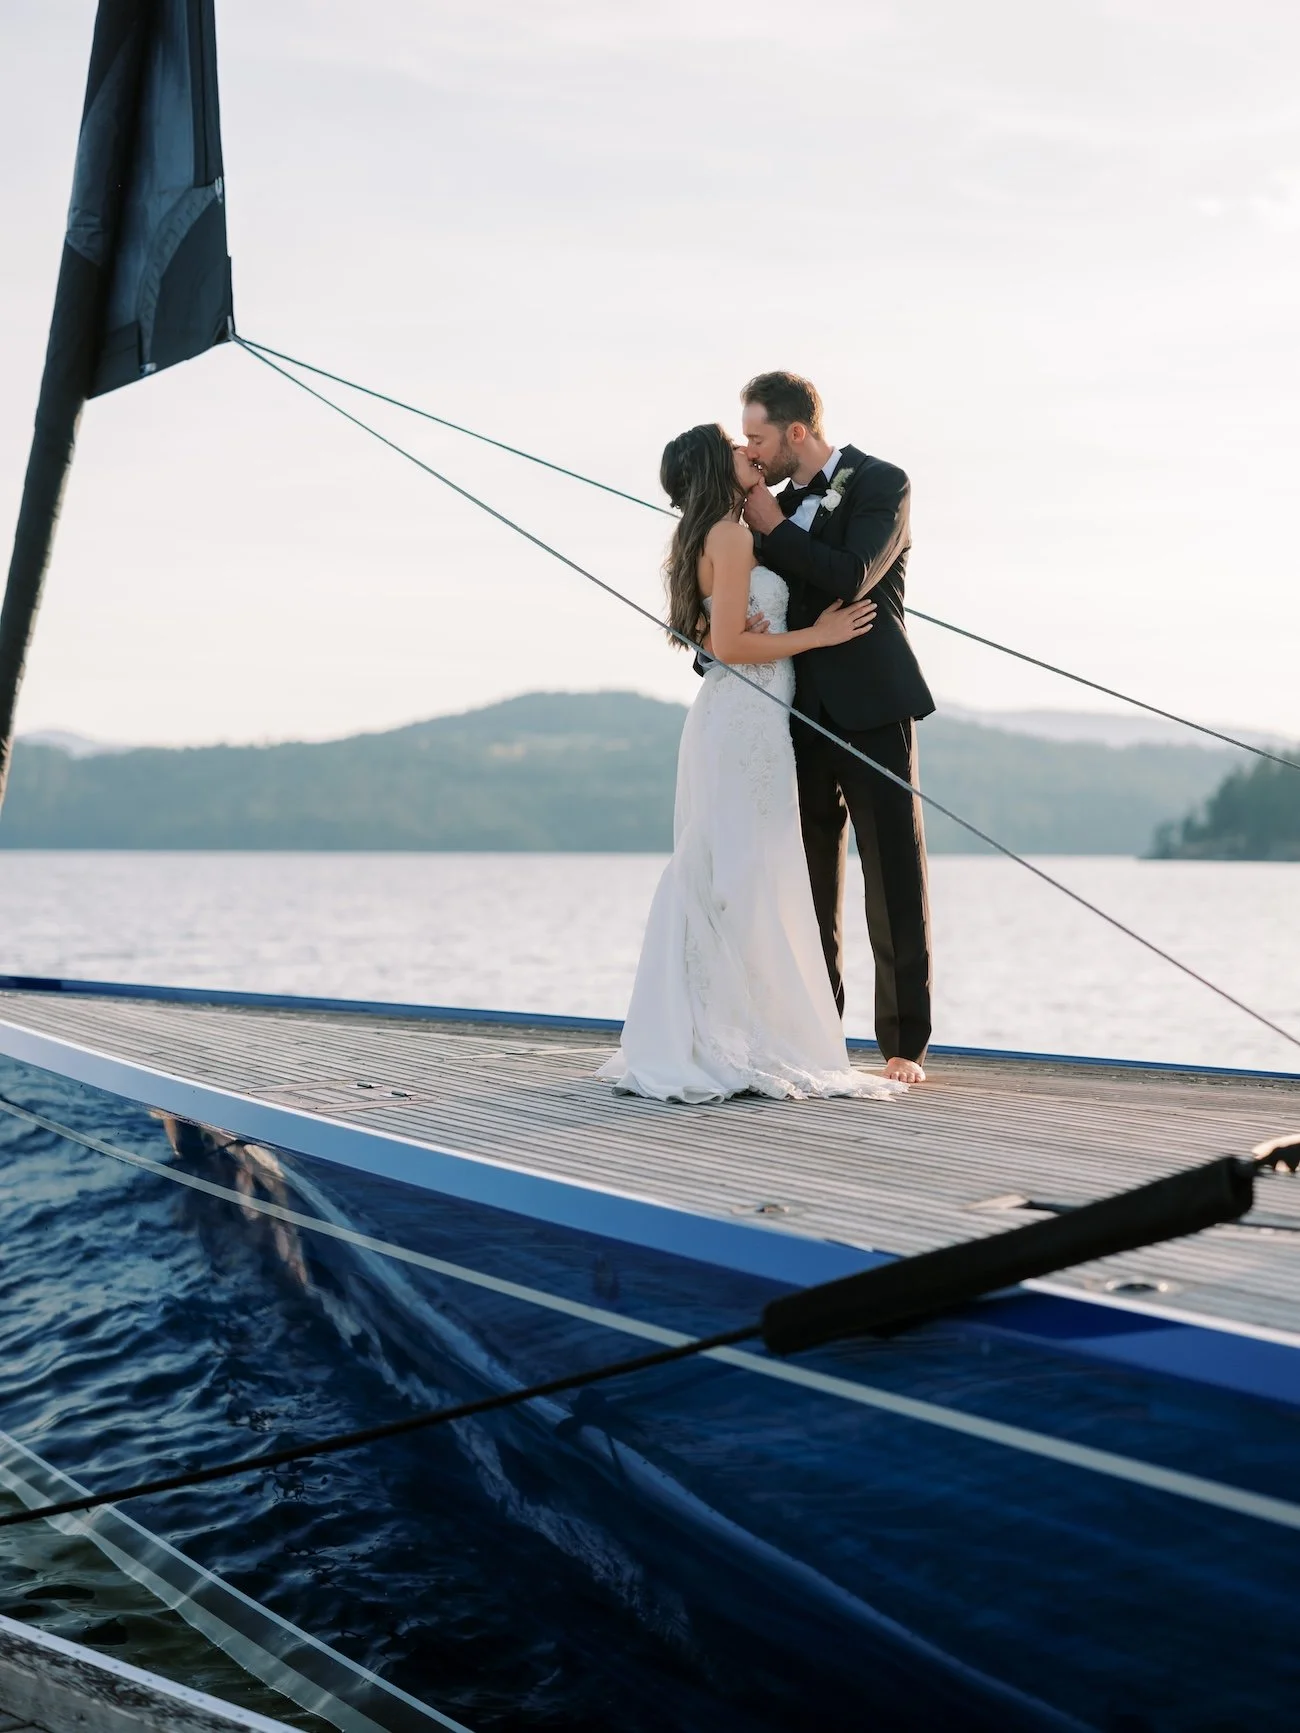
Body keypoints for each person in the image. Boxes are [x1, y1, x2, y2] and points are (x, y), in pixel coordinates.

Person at [598, 424, 904, 1105]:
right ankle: (736, 1036)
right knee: (747, 871)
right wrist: (819, 634)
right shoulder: (731, 538)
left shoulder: (707, 536)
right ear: (717, 465)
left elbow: (714, 634)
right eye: (735, 447)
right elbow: (732, 642)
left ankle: (723, 1028)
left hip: (742, 722)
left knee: (736, 869)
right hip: (743, 723)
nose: (749, 451)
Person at [738, 372, 934, 1085]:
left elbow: (852, 574)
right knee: (809, 883)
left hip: (873, 703)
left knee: (893, 874)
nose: (751, 453)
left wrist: (771, 526)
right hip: (795, 712)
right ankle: (820, 1034)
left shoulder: (884, 482)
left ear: (796, 432)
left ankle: (903, 1044)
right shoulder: (774, 508)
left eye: (758, 437)